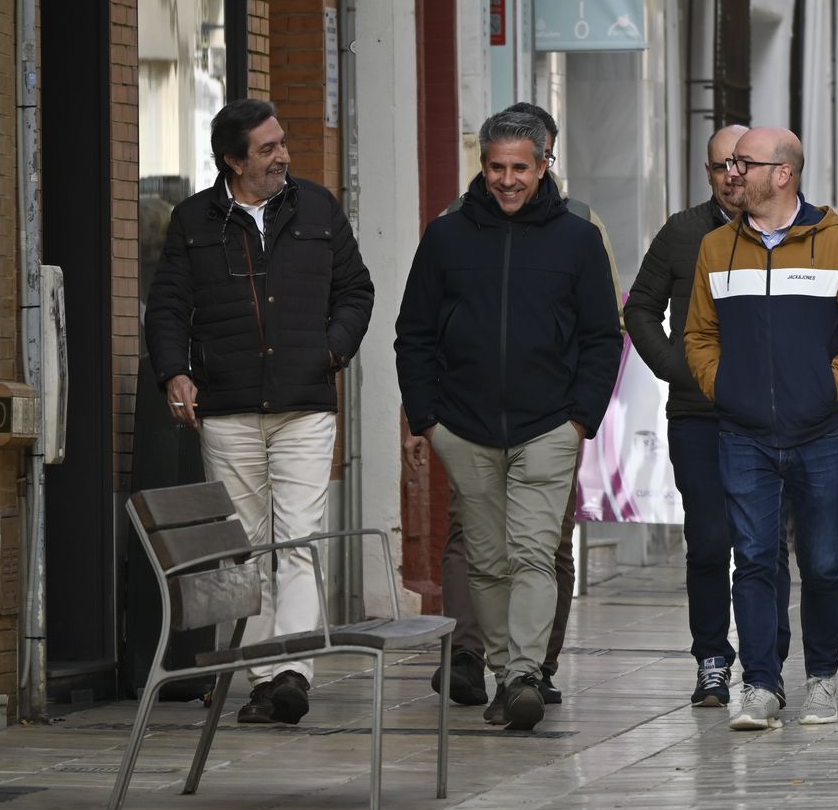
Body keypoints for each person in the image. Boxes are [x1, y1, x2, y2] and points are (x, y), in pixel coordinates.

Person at [145, 98, 375, 725]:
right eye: (268, 149)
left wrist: (331, 351)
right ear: (233, 159)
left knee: (296, 537)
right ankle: (264, 676)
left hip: (304, 404)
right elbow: (167, 307)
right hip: (228, 407)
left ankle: (294, 668)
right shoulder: (194, 220)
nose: (284, 156)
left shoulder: (318, 207)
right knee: (245, 547)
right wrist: (176, 371)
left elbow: (357, 288)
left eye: (283, 143)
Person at [395, 108, 622, 730]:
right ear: (483, 165)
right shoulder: (447, 236)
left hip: (549, 425)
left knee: (531, 554)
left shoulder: (576, 238)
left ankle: (524, 672)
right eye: (496, 167)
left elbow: (603, 336)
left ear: (545, 165)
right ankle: (505, 672)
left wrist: (581, 418)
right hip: (462, 427)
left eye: (521, 167)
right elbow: (412, 331)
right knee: (488, 559)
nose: (507, 179)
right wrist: (428, 417)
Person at [683, 127, 838, 731]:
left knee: (822, 563)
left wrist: (825, 389)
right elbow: (698, 335)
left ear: (783, 173)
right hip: (742, 434)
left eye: (746, 163)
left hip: (819, 433)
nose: (732, 173)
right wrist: (725, 387)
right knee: (751, 561)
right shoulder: (716, 248)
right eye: (731, 163)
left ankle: (821, 678)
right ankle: (762, 686)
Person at [625, 125, 794, 707]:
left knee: (766, 542)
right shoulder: (683, 233)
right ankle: (712, 660)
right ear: (708, 172)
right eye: (719, 167)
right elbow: (639, 308)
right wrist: (676, 366)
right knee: (708, 540)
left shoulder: (785, 233)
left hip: (770, 416)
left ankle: (767, 662)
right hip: (699, 413)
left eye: (739, 165)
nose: (731, 176)